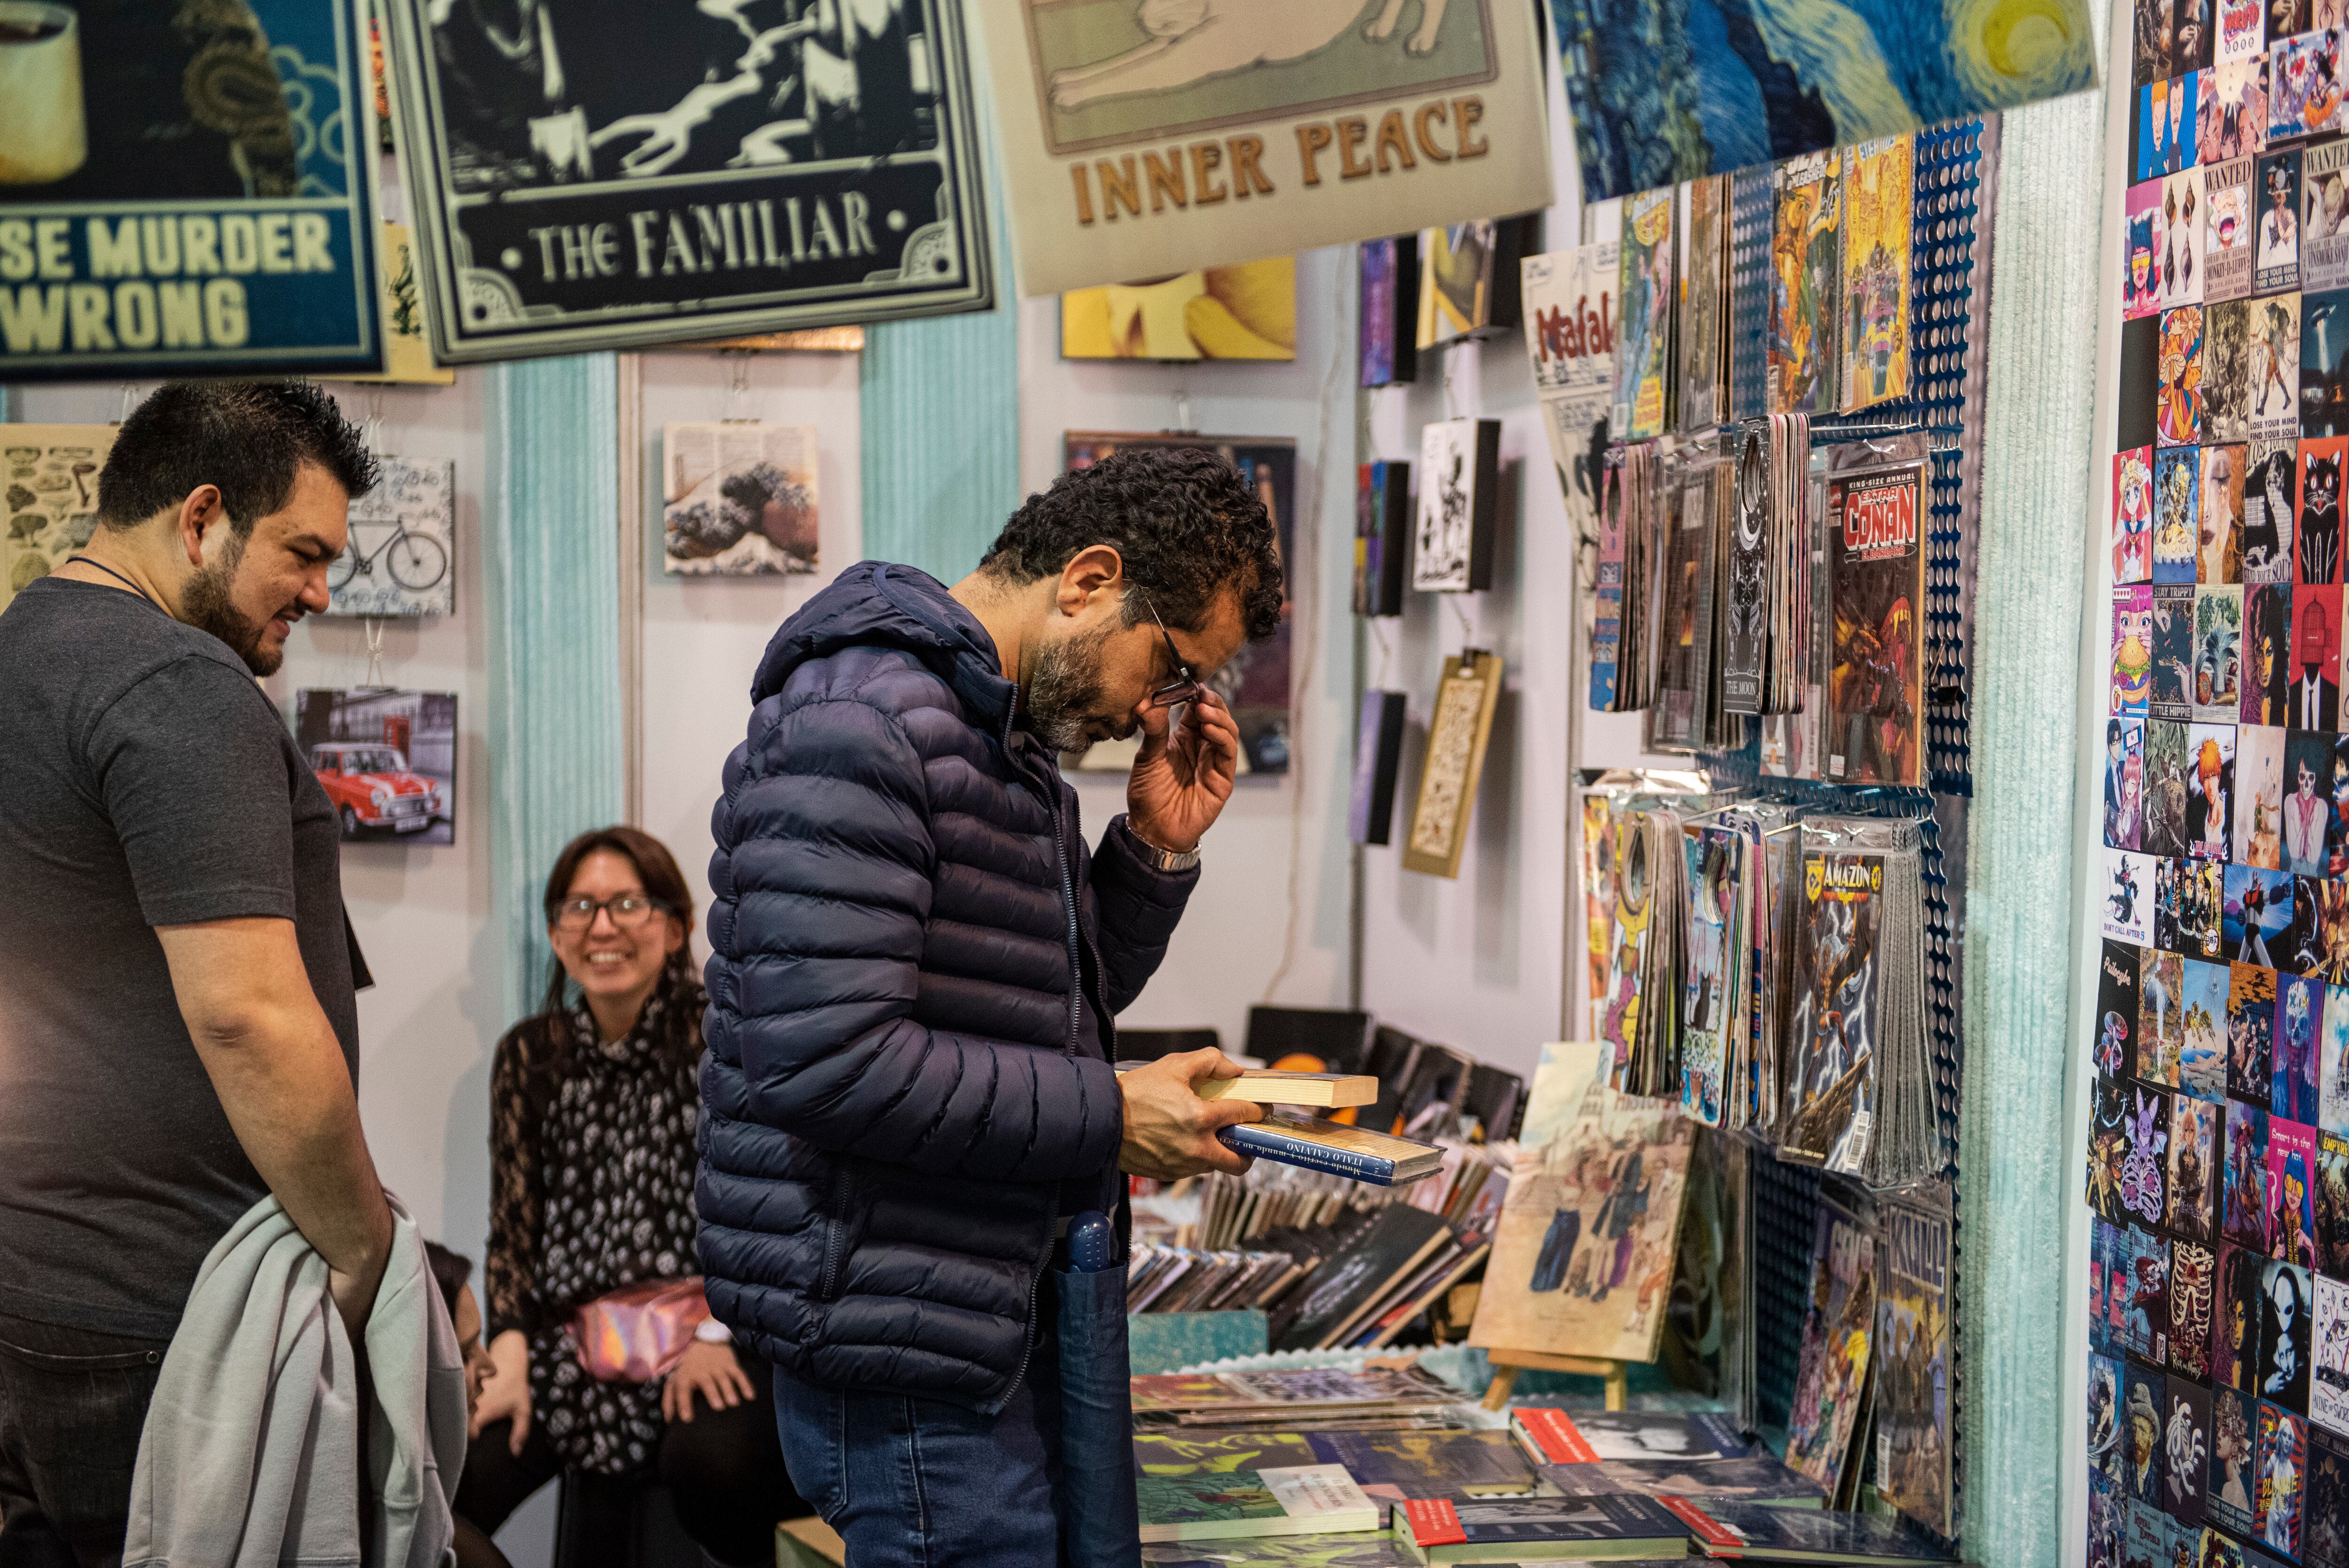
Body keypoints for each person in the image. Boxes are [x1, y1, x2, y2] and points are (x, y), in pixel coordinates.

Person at [697, 446, 1286, 1564]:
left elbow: (1034, 1008)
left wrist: (1153, 851)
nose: (1153, 712)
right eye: (1168, 667)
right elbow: (830, 1063)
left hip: (964, 1310)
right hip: (903, 1345)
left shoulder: (990, 733)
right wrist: (1112, 1112)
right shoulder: (861, 721)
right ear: (1088, 580)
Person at [0, 382, 393, 1566]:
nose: (324, 592)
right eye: (305, 552)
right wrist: (366, 1245)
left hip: (42, 1285)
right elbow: (247, 1016)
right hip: (163, 1315)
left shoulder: (23, 642)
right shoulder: (177, 681)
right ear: (203, 517)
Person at [456, 827, 806, 1566]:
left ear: (675, 926)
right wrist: (511, 1349)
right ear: (555, 932)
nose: (602, 925)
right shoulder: (530, 1055)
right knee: (445, 1473)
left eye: (627, 903)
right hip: (574, 1348)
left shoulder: (727, 1041)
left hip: (714, 1327)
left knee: (717, 1463)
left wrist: (717, 1332)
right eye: (580, 905)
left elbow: (777, 1211)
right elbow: (513, 1230)